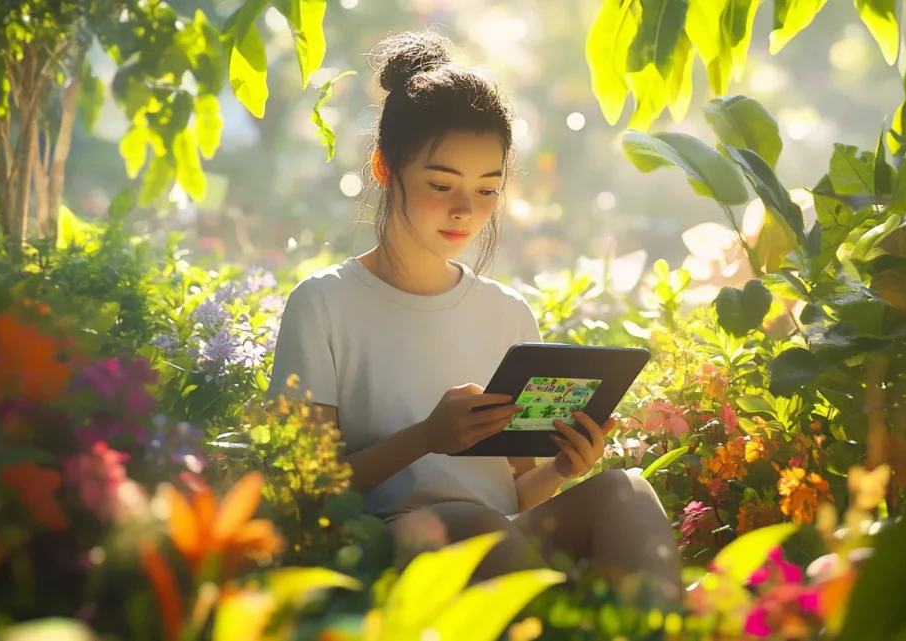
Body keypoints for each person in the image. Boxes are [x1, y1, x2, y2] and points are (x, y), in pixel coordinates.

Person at [267, 30, 682, 604]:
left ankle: (659, 626)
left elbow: (515, 494)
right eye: (442, 185)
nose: (466, 211)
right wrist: (425, 439)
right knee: (470, 524)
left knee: (625, 491)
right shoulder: (324, 303)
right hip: (388, 545)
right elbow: (305, 491)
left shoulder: (506, 314)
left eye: (487, 190)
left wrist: (562, 469)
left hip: (499, 540)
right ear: (386, 168)